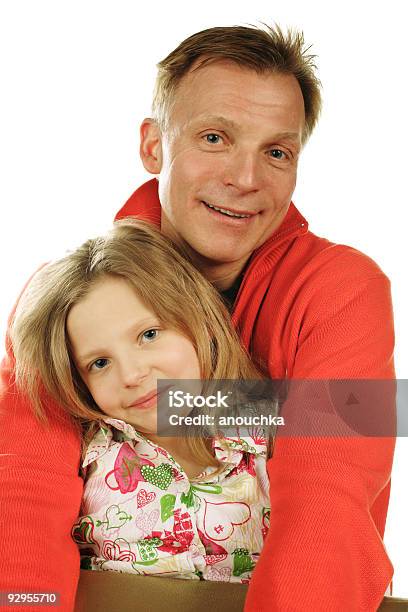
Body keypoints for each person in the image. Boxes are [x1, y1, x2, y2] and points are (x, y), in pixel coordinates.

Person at [0, 24, 395, 612]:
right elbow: (23, 492)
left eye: (277, 152)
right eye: (214, 137)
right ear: (154, 145)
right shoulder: (66, 298)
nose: (245, 178)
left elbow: (329, 502)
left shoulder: (343, 290)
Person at [10, 220, 271, 582]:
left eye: (148, 334)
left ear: (200, 321)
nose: (131, 374)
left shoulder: (270, 428)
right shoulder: (86, 460)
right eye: (99, 363)